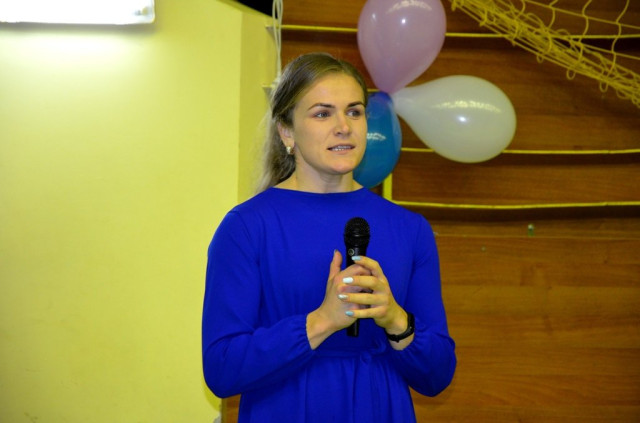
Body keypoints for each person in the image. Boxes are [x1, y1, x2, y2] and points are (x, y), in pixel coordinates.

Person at [202, 52, 456, 422]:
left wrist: (396, 319)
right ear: (286, 131)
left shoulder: (409, 228)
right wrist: (321, 321)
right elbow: (221, 368)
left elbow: (437, 376)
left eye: (354, 112)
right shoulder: (246, 227)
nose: (343, 127)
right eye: (323, 113)